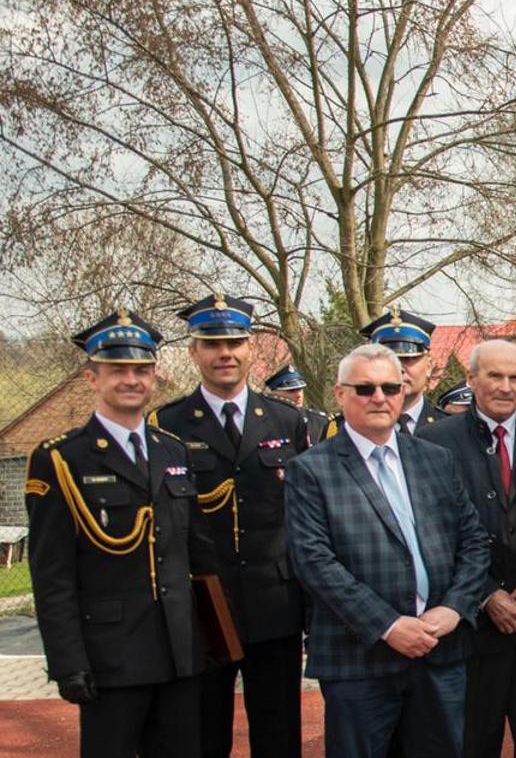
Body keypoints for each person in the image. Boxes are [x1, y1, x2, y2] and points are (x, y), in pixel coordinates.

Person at [285, 344, 492, 757]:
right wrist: (389, 626)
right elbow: (314, 562)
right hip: (360, 659)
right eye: (364, 388)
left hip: (439, 649)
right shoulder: (311, 469)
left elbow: (474, 541)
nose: (379, 397)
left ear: (403, 391)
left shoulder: (435, 459)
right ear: (340, 394)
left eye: (389, 387)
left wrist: (453, 608)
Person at [28, 310, 219, 758]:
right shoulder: (62, 459)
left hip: (180, 653)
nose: (131, 380)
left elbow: (198, 555)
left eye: (141, 370)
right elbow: (51, 574)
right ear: (92, 378)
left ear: (155, 376)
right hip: (111, 657)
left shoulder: (172, 451)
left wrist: (213, 637)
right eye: (117, 371)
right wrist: (67, 662)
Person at [150, 294, 311, 758]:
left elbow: (301, 517)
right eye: (212, 342)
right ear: (193, 352)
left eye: (235, 342)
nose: (225, 352)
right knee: (203, 734)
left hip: (274, 602)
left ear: (250, 349)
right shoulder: (167, 423)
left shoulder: (287, 419)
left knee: (278, 734)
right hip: (203, 603)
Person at [417, 340, 516, 757]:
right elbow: (430, 533)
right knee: (471, 744)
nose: (505, 387)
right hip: (470, 631)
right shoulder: (433, 443)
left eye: (514, 377)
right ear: (471, 379)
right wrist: (485, 593)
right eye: (494, 376)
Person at [341, 308, 448, 437]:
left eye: (408, 359)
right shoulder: (346, 427)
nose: (400, 368)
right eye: (391, 361)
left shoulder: (454, 430)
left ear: (429, 366)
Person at [266, 364, 333, 444]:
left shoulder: (319, 421)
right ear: (274, 394)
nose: (298, 395)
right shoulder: (263, 424)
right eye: (291, 390)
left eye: (300, 389)